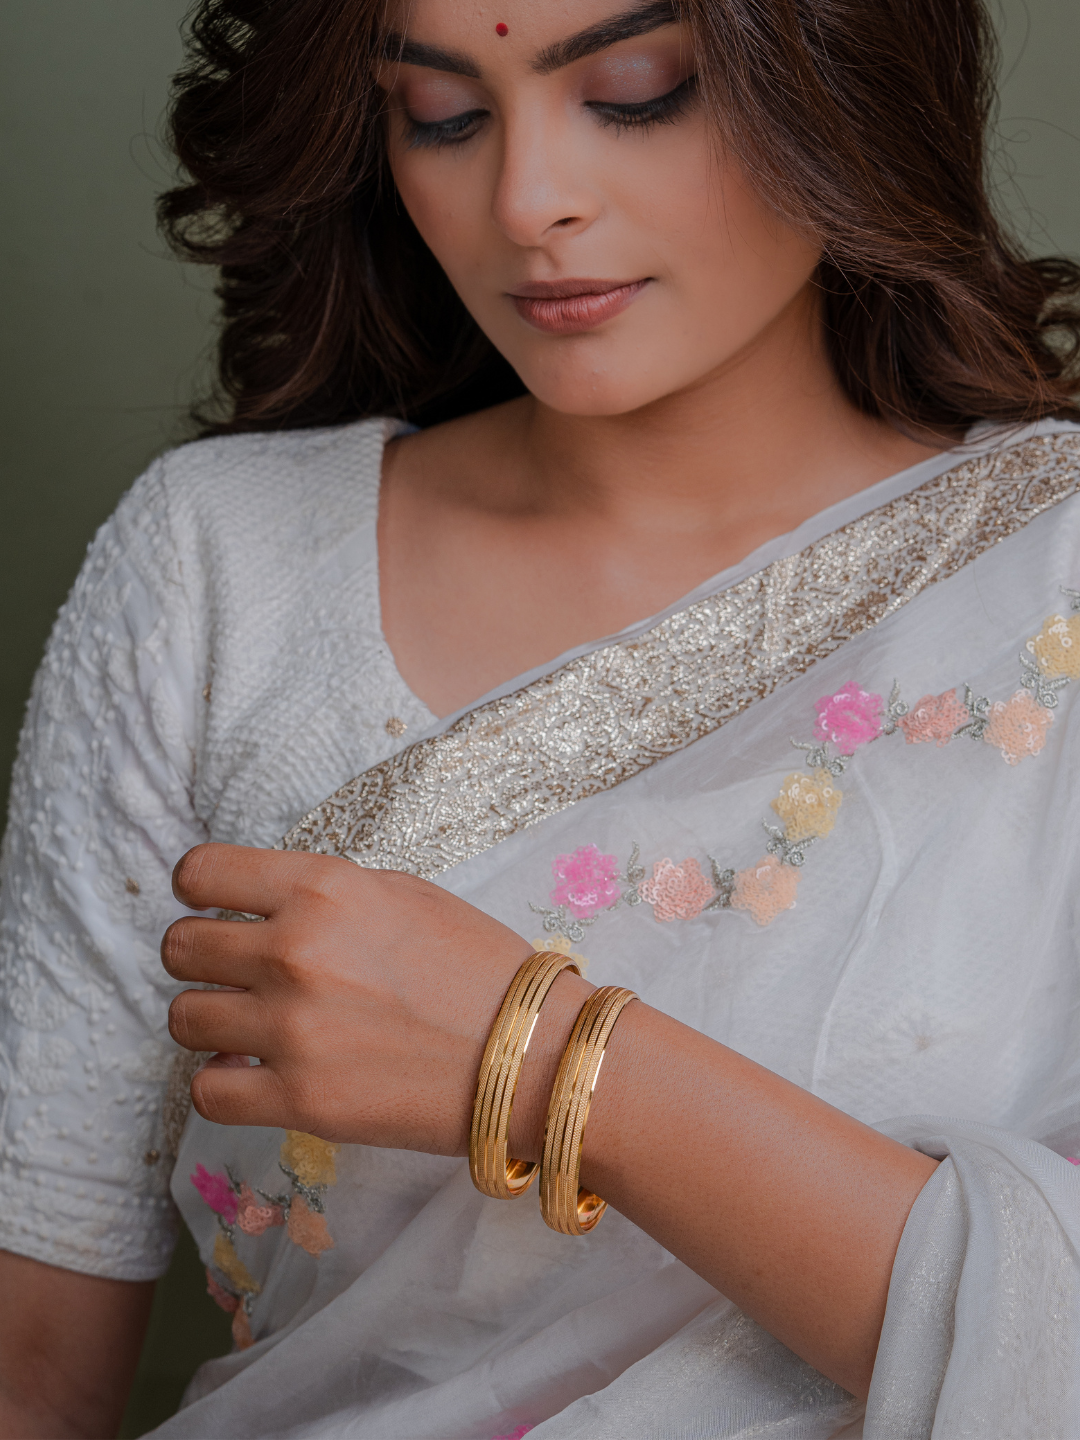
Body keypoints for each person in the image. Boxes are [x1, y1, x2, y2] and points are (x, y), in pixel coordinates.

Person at [2, 0, 1079, 1433]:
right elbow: (33, 1361)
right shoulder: (223, 571)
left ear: (842, 79)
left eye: (637, 90)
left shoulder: (1048, 590)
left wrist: (548, 1059)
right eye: (441, 114)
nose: (527, 202)